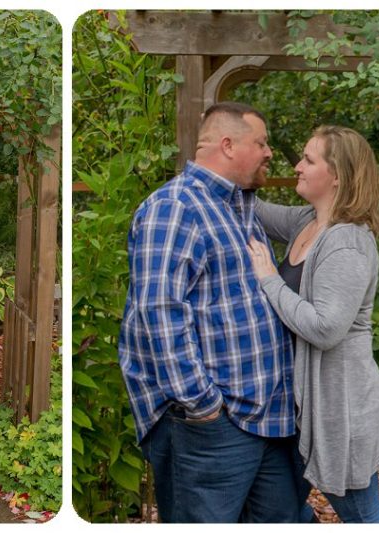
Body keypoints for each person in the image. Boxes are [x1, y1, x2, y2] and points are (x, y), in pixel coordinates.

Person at [118, 102, 303, 522]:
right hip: (212, 425)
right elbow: (159, 312)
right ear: (228, 145)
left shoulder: (241, 210)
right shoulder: (175, 207)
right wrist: (202, 405)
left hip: (266, 420)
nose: (270, 152)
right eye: (262, 142)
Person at [246, 125, 379, 523]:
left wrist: (269, 280)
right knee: (274, 508)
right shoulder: (305, 222)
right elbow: (252, 208)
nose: (296, 166)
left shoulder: (346, 242)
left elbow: (326, 328)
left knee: (363, 518)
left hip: (341, 413)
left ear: (337, 176)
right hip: (305, 410)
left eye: (308, 160)